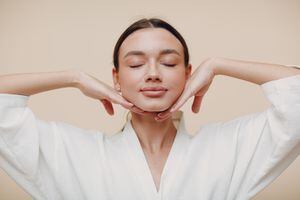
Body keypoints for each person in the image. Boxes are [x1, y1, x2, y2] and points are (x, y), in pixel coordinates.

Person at [0, 18, 299, 200]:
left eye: (169, 63)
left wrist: (219, 65)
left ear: (188, 73)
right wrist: (72, 77)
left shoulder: (226, 147)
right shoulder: (73, 152)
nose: (153, 73)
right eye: (135, 63)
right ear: (116, 77)